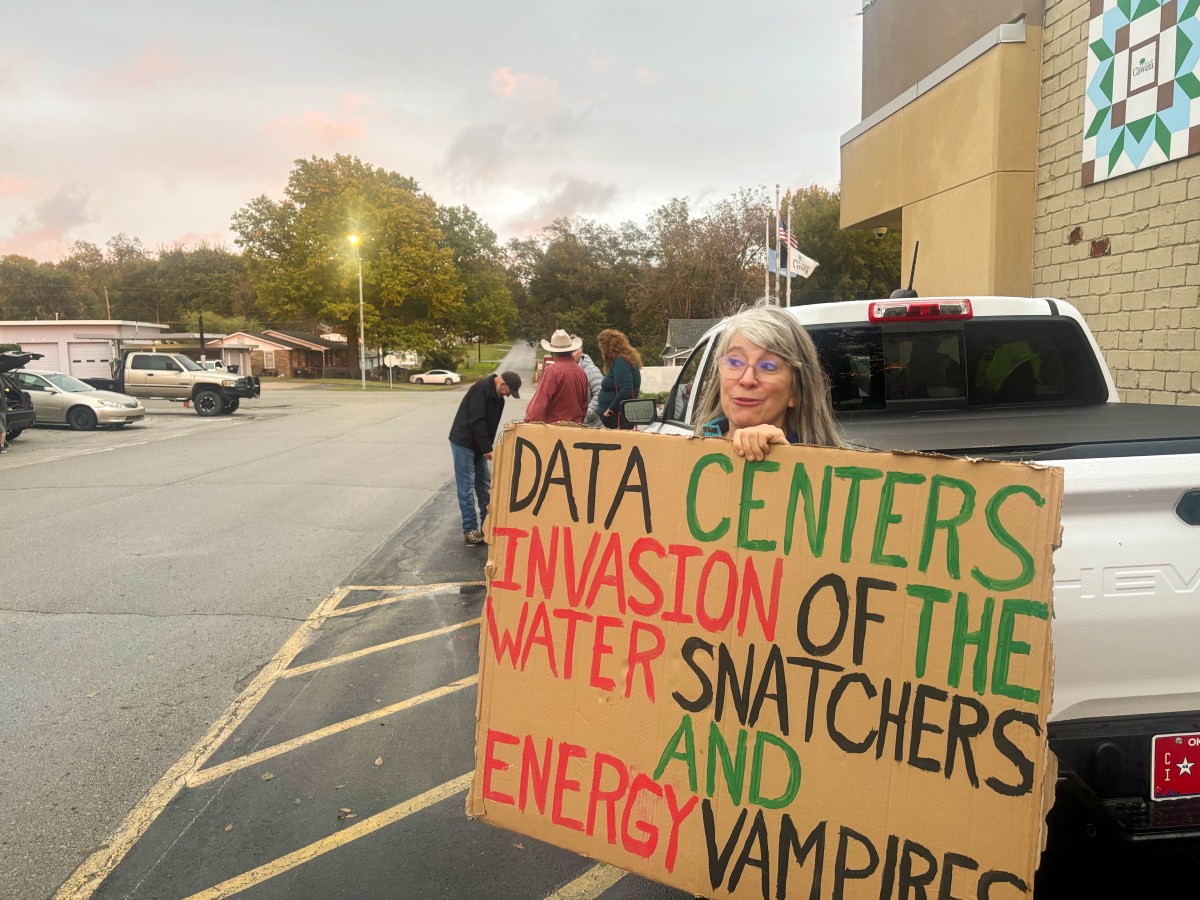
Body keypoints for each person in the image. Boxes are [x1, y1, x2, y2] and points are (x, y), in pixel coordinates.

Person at [692, 300, 843, 459]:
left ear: (795, 391)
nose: (747, 379)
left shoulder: (828, 471)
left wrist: (788, 460)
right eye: (735, 362)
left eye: (768, 366)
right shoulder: (685, 454)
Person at [449, 370, 522, 545]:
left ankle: (487, 526)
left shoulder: (499, 399)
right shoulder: (480, 389)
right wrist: (487, 448)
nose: (508, 396)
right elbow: (476, 421)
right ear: (502, 384)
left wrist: (489, 446)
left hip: (479, 446)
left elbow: (491, 426)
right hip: (463, 441)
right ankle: (470, 529)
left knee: (484, 486)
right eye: (508, 391)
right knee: (466, 487)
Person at [524, 330, 589, 424]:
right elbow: (584, 405)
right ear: (571, 350)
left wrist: (528, 422)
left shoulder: (552, 371)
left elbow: (539, 404)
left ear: (552, 352)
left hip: (554, 429)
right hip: (575, 428)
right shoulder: (581, 372)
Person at [596, 328, 643, 429]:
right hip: (622, 418)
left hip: (618, 420)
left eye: (601, 346)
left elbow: (626, 390)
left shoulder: (620, 362)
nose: (600, 350)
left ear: (608, 347)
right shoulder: (627, 361)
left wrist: (609, 411)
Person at [573, 339, 603, 426]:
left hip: (593, 426)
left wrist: (587, 415)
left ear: (581, 353)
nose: (571, 354)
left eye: (574, 351)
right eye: (569, 351)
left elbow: (599, 394)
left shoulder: (592, 370)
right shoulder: (568, 371)